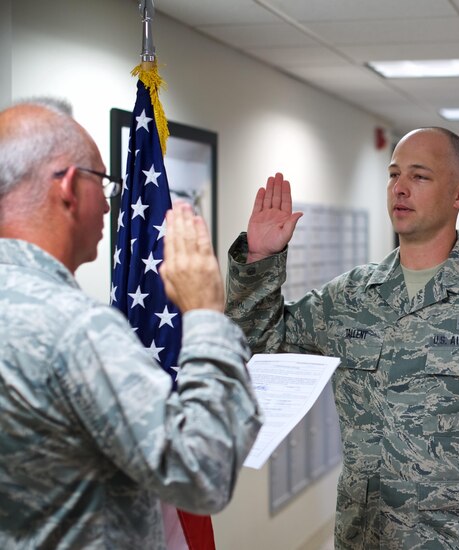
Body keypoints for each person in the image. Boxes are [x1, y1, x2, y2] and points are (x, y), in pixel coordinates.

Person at [226, 127, 459, 549]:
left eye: (419, 176)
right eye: (393, 174)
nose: (399, 188)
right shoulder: (350, 297)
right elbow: (259, 351)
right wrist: (260, 260)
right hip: (366, 537)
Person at [0, 99, 263, 548]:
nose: (108, 206)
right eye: (103, 183)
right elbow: (203, 474)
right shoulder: (76, 330)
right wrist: (203, 316)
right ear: (67, 185)